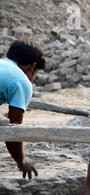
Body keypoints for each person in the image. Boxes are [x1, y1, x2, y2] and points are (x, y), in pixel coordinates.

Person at [0, 38, 46, 179]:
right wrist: (21, 161)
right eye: (36, 73)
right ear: (33, 67)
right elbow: (13, 132)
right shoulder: (22, 81)